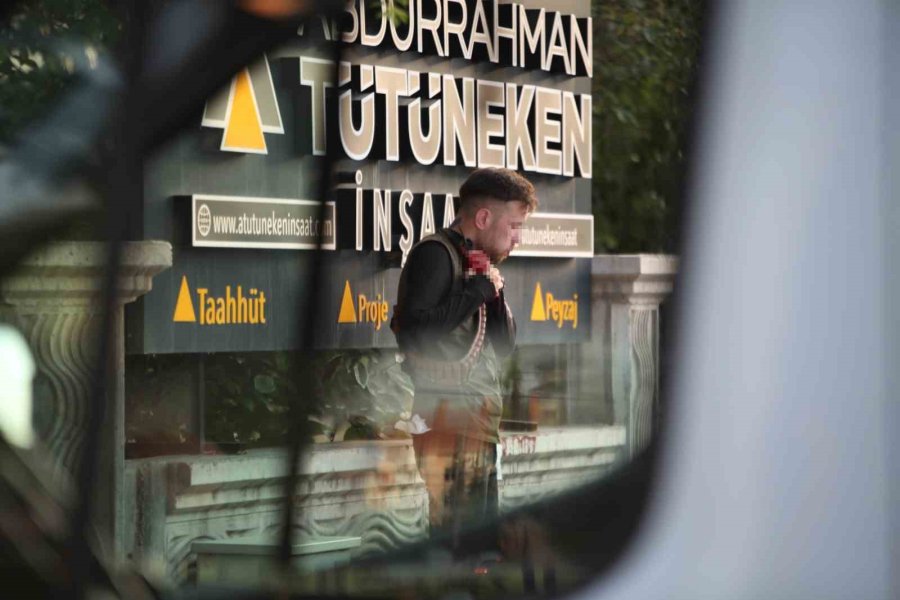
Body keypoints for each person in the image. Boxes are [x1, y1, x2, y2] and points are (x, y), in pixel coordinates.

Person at [391, 167, 537, 547]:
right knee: (457, 544)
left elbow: (504, 347)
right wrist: (479, 290)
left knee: (483, 545)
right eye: (514, 226)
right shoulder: (435, 255)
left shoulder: (478, 262)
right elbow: (416, 332)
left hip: (478, 421)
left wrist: (493, 289)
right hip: (446, 420)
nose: (517, 238)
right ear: (484, 217)